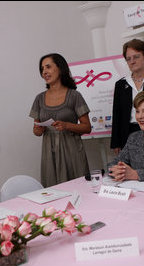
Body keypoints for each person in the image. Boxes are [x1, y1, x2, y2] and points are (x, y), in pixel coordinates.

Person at [29, 53, 91, 187]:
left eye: (48, 67)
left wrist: (67, 125)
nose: (44, 71)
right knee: (53, 191)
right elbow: (36, 131)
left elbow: (87, 127)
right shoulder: (39, 98)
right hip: (49, 152)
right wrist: (38, 129)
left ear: (60, 69)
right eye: (42, 69)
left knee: (79, 188)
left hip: (72, 150)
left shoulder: (74, 96)